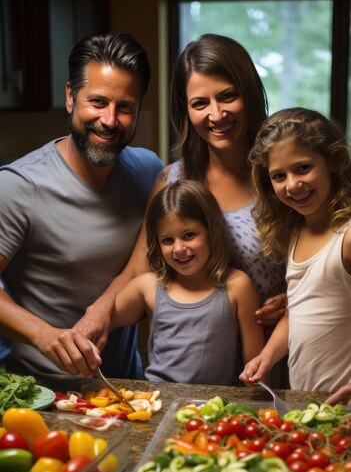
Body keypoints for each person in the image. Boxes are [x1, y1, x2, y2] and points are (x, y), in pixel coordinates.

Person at [0, 32, 163, 378]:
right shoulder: (17, 186)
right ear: (71, 97)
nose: (109, 120)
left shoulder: (150, 172)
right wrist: (42, 335)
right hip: (39, 393)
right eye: (98, 102)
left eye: (125, 108)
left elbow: (147, 263)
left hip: (122, 389)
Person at [152, 34, 287, 330]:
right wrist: (98, 314)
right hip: (198, 359)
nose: (216, 114)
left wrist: (295, 297)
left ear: (249, 93)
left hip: (278, 354)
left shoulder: (284, 177)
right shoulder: (171, 180)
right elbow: (141, 271)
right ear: (185, 109)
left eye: (227, 96)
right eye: (200, 103)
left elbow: (325, 261)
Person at [82, 179, 265, 385]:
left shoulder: (238, 286)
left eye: (189, 235)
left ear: (211, 232)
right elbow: (99, 323)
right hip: (158, 402)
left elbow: (256, 369)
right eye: (167, 240)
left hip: (214, 408)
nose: (178, 248)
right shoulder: (148, 286)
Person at [240, 107, 351, 393]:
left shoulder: (346, 237)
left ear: (333, 161)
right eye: (279, 176)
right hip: (306, 401)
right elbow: (296, 312)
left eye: (303, 168)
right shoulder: (297, 233)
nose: (293, 184)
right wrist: (267, 356)